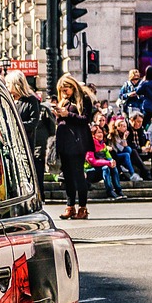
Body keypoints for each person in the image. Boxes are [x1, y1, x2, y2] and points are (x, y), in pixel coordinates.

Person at [53, 74, 93, 220]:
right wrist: (58, 113)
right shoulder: (64, 101)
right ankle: (70, 206)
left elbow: (85, 119)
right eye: (62, 90)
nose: (64, 92)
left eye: (66, 89)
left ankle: (82, 207)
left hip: (77, 142)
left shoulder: (83, 99)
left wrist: (67, 114)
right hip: (64, 141)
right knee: (67, 176)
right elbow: (61, 121)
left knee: (78, 175)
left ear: (73, 87)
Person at [5, 70, 48, 201]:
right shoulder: (8, 99)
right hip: (9, 142)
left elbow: (33, 123)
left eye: (8, 83)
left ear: (16, 84)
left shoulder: (31, 101)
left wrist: (15, 124)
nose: (6, 86)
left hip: (25, 143)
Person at [86, 124, 126, 199]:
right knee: (105, 168)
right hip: (89, 172)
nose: (100, 134)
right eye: (98, 132)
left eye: (101, 132)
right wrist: (107, 163)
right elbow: (92, 161)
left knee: (113, 167)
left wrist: (112, 161)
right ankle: (109, 191)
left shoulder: (103, 145)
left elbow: (109, 157)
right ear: (93, 134)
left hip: (100, 170)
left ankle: (118, 190)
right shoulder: (89, 144)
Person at [107, 117, 142, 182]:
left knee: (129, 149)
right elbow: (119, 148)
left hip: (118, 152)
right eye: (124, 126)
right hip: (114, 154)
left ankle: (126, 165)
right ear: (118, 127)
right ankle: (132, 173)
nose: (125, 128)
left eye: (126, 126)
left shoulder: (121, 134)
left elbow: (125, 145)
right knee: (126, 154)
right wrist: (124, 138)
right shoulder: (113, 135)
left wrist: (124, 138)